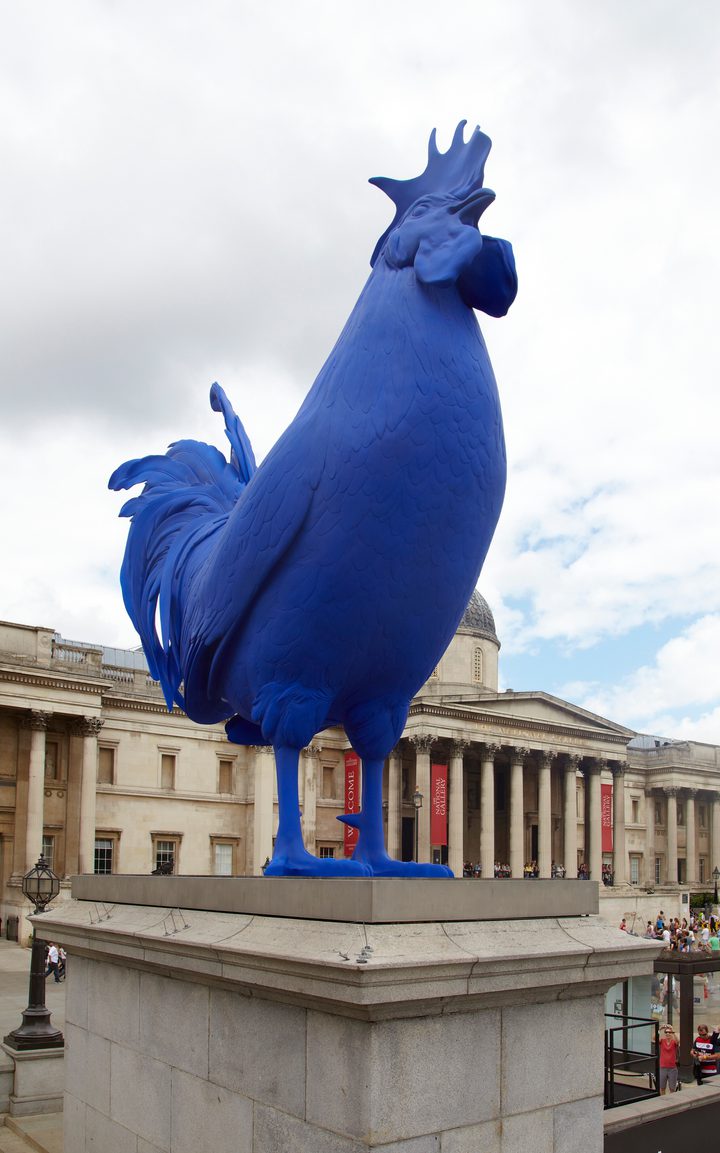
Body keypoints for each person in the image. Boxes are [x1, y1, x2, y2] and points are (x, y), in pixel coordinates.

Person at [658, 1025, 679, 1094]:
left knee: (672, 1088)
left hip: (672, 1068)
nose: (668, 1034)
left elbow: (678, 1041)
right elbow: (654, 1038)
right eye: (666, 1032)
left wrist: (672, 1030)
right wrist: (659, 1029)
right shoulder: (662, 1041)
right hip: (663, 1067)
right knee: (662, 1087)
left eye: (669, 1032)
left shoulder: (673, 1042)